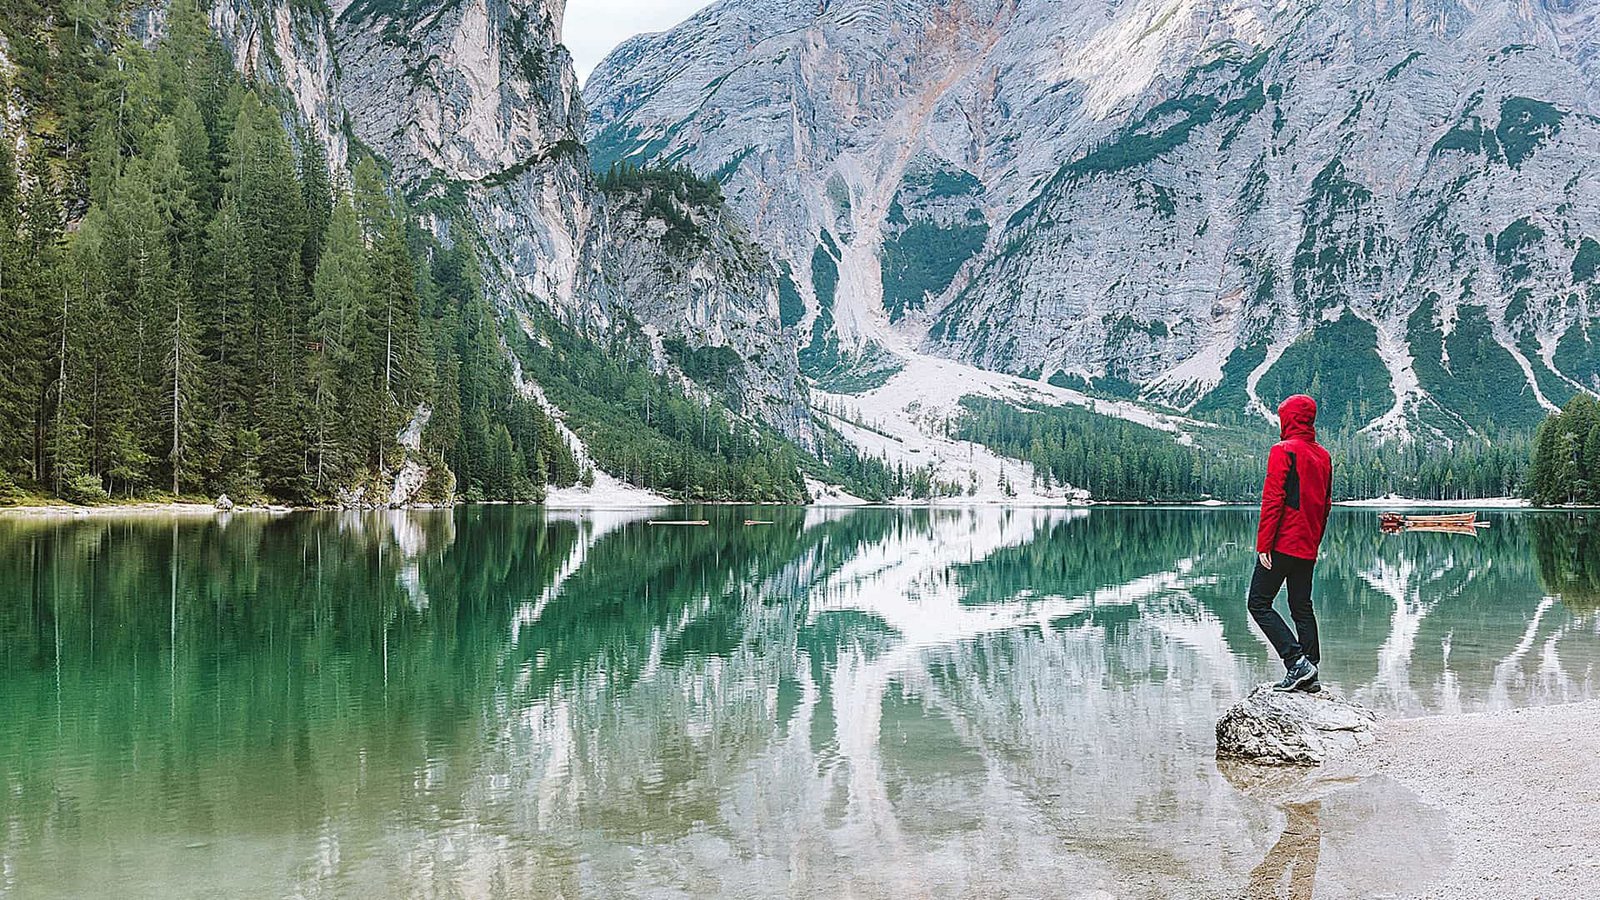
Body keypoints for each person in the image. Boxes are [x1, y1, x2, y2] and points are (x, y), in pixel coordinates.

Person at [1248, 394, 1333, 692]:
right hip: (1307, 543)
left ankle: (1296, 663)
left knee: (1258, 603)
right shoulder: (1323, 456)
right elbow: (1325, 505)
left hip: (1283, 542)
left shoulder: (1282, 450)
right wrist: (1315, 542)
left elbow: (1273, 500)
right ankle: (1311, 671)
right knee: (1301, 605)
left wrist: (1264, 545)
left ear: (1290, 418)